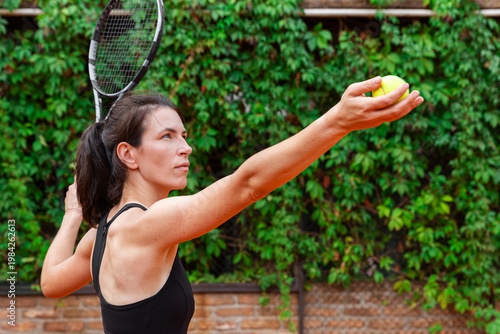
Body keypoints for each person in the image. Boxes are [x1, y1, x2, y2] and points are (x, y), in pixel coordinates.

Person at [41, 76, 424, 333]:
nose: (186, 147)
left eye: (184, 135)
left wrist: (72, 215)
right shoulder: (148, 224)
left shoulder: (102, 234)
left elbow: (50, 282)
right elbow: (249, 184)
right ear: (128, 154)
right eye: (168, 136)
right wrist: (338, 122)